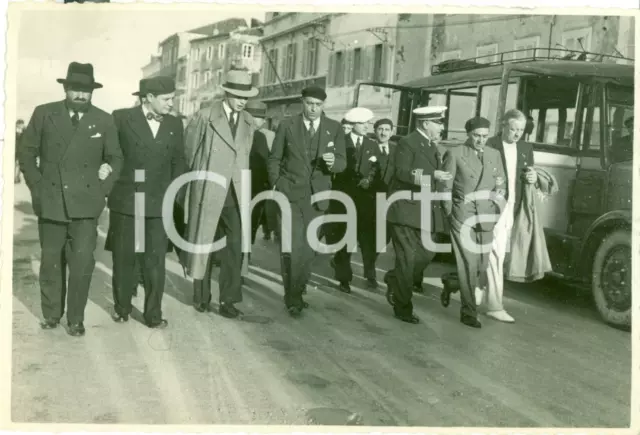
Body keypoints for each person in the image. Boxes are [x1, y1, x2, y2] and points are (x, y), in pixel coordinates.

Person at [17, 62, 123, 337]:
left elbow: (116, 158)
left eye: (86, 90)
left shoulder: (103, 119)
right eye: (75, 88)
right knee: (51, 262)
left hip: (87, 207)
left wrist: (103, 187)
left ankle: (76, 318)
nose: (80, 95)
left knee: (81, 265)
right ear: (65, 88)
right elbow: (26, 153)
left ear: (92, 92)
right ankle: (51, 314)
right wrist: (37, 187)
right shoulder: (44, 114)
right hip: (51, 202)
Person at [106, 76, 186, 329]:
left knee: (155, 262)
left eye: (172, 98)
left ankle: (153, 313)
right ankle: (122, 307)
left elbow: (178, 161)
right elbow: (111, 155)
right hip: (126, 200)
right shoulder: (120, 118)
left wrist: (175, 194)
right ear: (148, 98)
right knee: (124, 258)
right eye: (166, 99)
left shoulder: (174, 124)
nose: (171, 104)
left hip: (159, 203)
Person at [180, 70, 257, 318]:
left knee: (235, 247)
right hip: (209, 190)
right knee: (205, 244)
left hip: (236, 193)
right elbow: (189, 155)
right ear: (227, 93)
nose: (243, 101)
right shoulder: (204, 117)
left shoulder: (248, 121)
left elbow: (244, 154)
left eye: (246, 96)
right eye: (238, 95)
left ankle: (228, 300)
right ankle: (201, 296)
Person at [267, 86, 347, 317]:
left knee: (310, 249)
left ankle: (298, 289)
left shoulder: (334, 128)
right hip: (290, 194)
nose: (314, 108)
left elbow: (342, 163)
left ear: (323, 105)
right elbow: (274, 158)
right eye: (310, 103)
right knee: (293, 247)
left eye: (318, 104)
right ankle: (292, 297)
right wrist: (277, 183)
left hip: (319, 197)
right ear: (302, 102)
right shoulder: (286, 125)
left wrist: (332, 163)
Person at [384, 106, 451, 324]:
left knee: (427, 253)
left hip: (424, 209)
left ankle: (394, 279)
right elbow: (402, 173)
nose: (441, 126)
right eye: (438, 122)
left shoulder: (431, 145)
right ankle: (403, 307)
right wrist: (432, 176)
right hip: (404, 208)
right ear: (425, 124)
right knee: (407, 258)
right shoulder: (408, 143)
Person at [440, 116, 507, 329]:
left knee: (481, 265)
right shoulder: (456, 153)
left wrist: (497, 210)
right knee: (468, 264)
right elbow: (444, 188)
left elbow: (501, 186)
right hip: (463, 215)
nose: (480, 140)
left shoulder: (494, 154)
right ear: (468, 134)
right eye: (476, 136)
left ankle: (452, 282)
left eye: (485, 137)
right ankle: (468, 312)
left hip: (487, 216)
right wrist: (451, 214)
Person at [480, 109, 536, 323]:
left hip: (515, 207)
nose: (516, 134)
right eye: (513, 129)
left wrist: (532, 176)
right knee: (496, 253)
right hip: (493, 206)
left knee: (499, 252)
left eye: (520, 130)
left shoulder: (525, 148)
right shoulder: (490, 144)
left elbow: (528, 173)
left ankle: (478, 291)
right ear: (503, 126)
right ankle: (494, 304)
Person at [327, 107, 378, 293]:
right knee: (344, 238)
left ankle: (361, 272)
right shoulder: (340, 143)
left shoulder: (372, 145)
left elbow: (374, 167)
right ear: (353, 124)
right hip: (343, 198)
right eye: (363, 123)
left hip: (364, 200)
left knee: (362, 237)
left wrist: (369, 179)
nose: (367, 127)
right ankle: (343, 278)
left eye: (368, 123)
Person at [245, 100, 277, 242]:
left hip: (257, 190)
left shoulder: (261, 136)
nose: (264, 122)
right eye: (261, 118)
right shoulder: (240, 134)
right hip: (242, 189)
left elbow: (267, 161)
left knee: (251, 224)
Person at [15, 119, 25, 183]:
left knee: (19, 164)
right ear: (17, 124)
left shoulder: (25, 131)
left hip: (21, 150)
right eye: (21, 124)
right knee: (16, 164)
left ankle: (17, 177)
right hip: (16, 150)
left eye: (22, 124)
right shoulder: (14, 131)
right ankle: (16, 177)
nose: (22, 126)